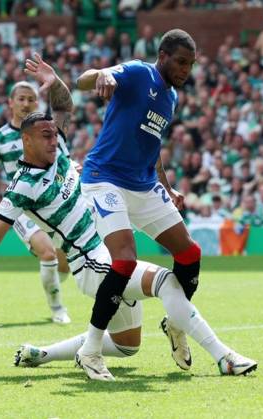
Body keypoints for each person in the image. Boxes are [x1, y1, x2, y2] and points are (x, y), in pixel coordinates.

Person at [0, 54, 256, 381]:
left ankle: (44, 354)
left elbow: (64, 105)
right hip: (89, 261)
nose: (53, 138)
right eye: (44, 135)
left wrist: (55, 79)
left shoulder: (57, 151)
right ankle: (223, 356)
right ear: (25, 141)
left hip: (105, 251)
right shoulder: (22, 187)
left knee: (128, 346)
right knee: (166, 282)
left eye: (53, 133)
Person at [75, 29, 202, 371]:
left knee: (190, 254)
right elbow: (83, 80)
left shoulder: (171, 98)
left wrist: (168, 186)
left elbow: (152, 146)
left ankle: (176, 325)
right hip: (105, 179)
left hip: (144, 184)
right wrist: (101, 74)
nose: (185, 69)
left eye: (190, 64)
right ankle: (90, 349)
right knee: (125, 260)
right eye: (180, 62)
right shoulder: (137, 72)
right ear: (162, 56)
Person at [0, 77, 71, 324]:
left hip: (51, 202)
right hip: (20, 207)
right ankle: (58, 309)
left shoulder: (49, 130)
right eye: (21, 99)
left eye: (31, 99)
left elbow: (63, 162)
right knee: (47, 253)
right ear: (10, 103)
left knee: (62, 263)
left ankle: (52, 279)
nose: (26, 103)